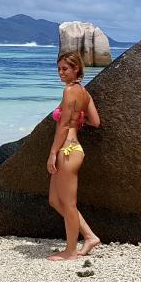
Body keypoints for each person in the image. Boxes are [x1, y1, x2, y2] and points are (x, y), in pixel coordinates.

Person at [47, 51, 102, 261]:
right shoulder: (84, 93)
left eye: (65, 69)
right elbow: (95, 121)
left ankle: (70, 251)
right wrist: (78, 122)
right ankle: (89, 236)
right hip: (73, 148)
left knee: (68, 204)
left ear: (76, 69)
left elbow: (63, 125)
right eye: (59, 69)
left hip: (67, 151)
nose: (61, 73)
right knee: (54, 200)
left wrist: (53, 153)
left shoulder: (70, 91)